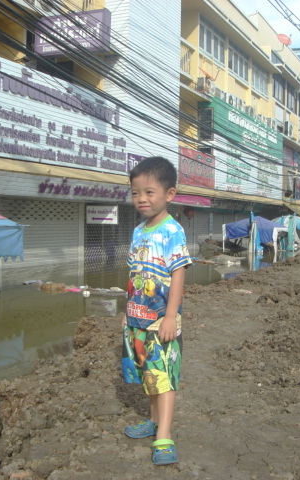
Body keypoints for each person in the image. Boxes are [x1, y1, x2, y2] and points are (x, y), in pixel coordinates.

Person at [121, 156, 192, 466]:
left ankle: (164, 435)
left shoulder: (172, 231)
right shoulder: (139, 232)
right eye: (136, 192)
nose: (141, 199)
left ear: (169, 194)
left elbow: (178, 274)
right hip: (138, 317)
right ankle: (151, 421)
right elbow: (135, 275)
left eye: (150, 192)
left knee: (165, 377)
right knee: (149, 375)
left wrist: (169, 316)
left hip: (161, 320)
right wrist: (127, 312)